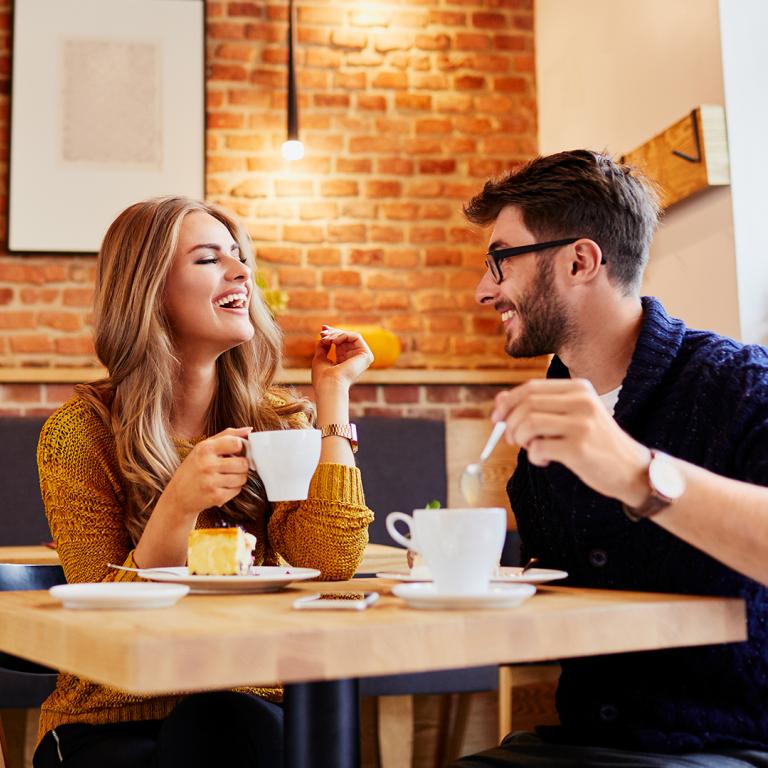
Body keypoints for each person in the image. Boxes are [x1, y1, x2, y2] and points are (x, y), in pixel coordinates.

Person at [451, 150, 768, 767]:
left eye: (500, 261)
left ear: (580, 260)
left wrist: (634, 471)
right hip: (585, 745)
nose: (484, 289)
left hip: (730, 744)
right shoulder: (543, 429)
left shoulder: (738, 384)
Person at [33, 196, 374, 768]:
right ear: (148, 290)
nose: (241, 272)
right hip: (115, 719)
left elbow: (331, 559)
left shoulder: (279, 421)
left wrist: (332, 396)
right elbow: (106, 631)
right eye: (208, 259)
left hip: (249, 702)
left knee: (228, 719)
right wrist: (179, 505)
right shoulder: (80, 433)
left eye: (239, 258)